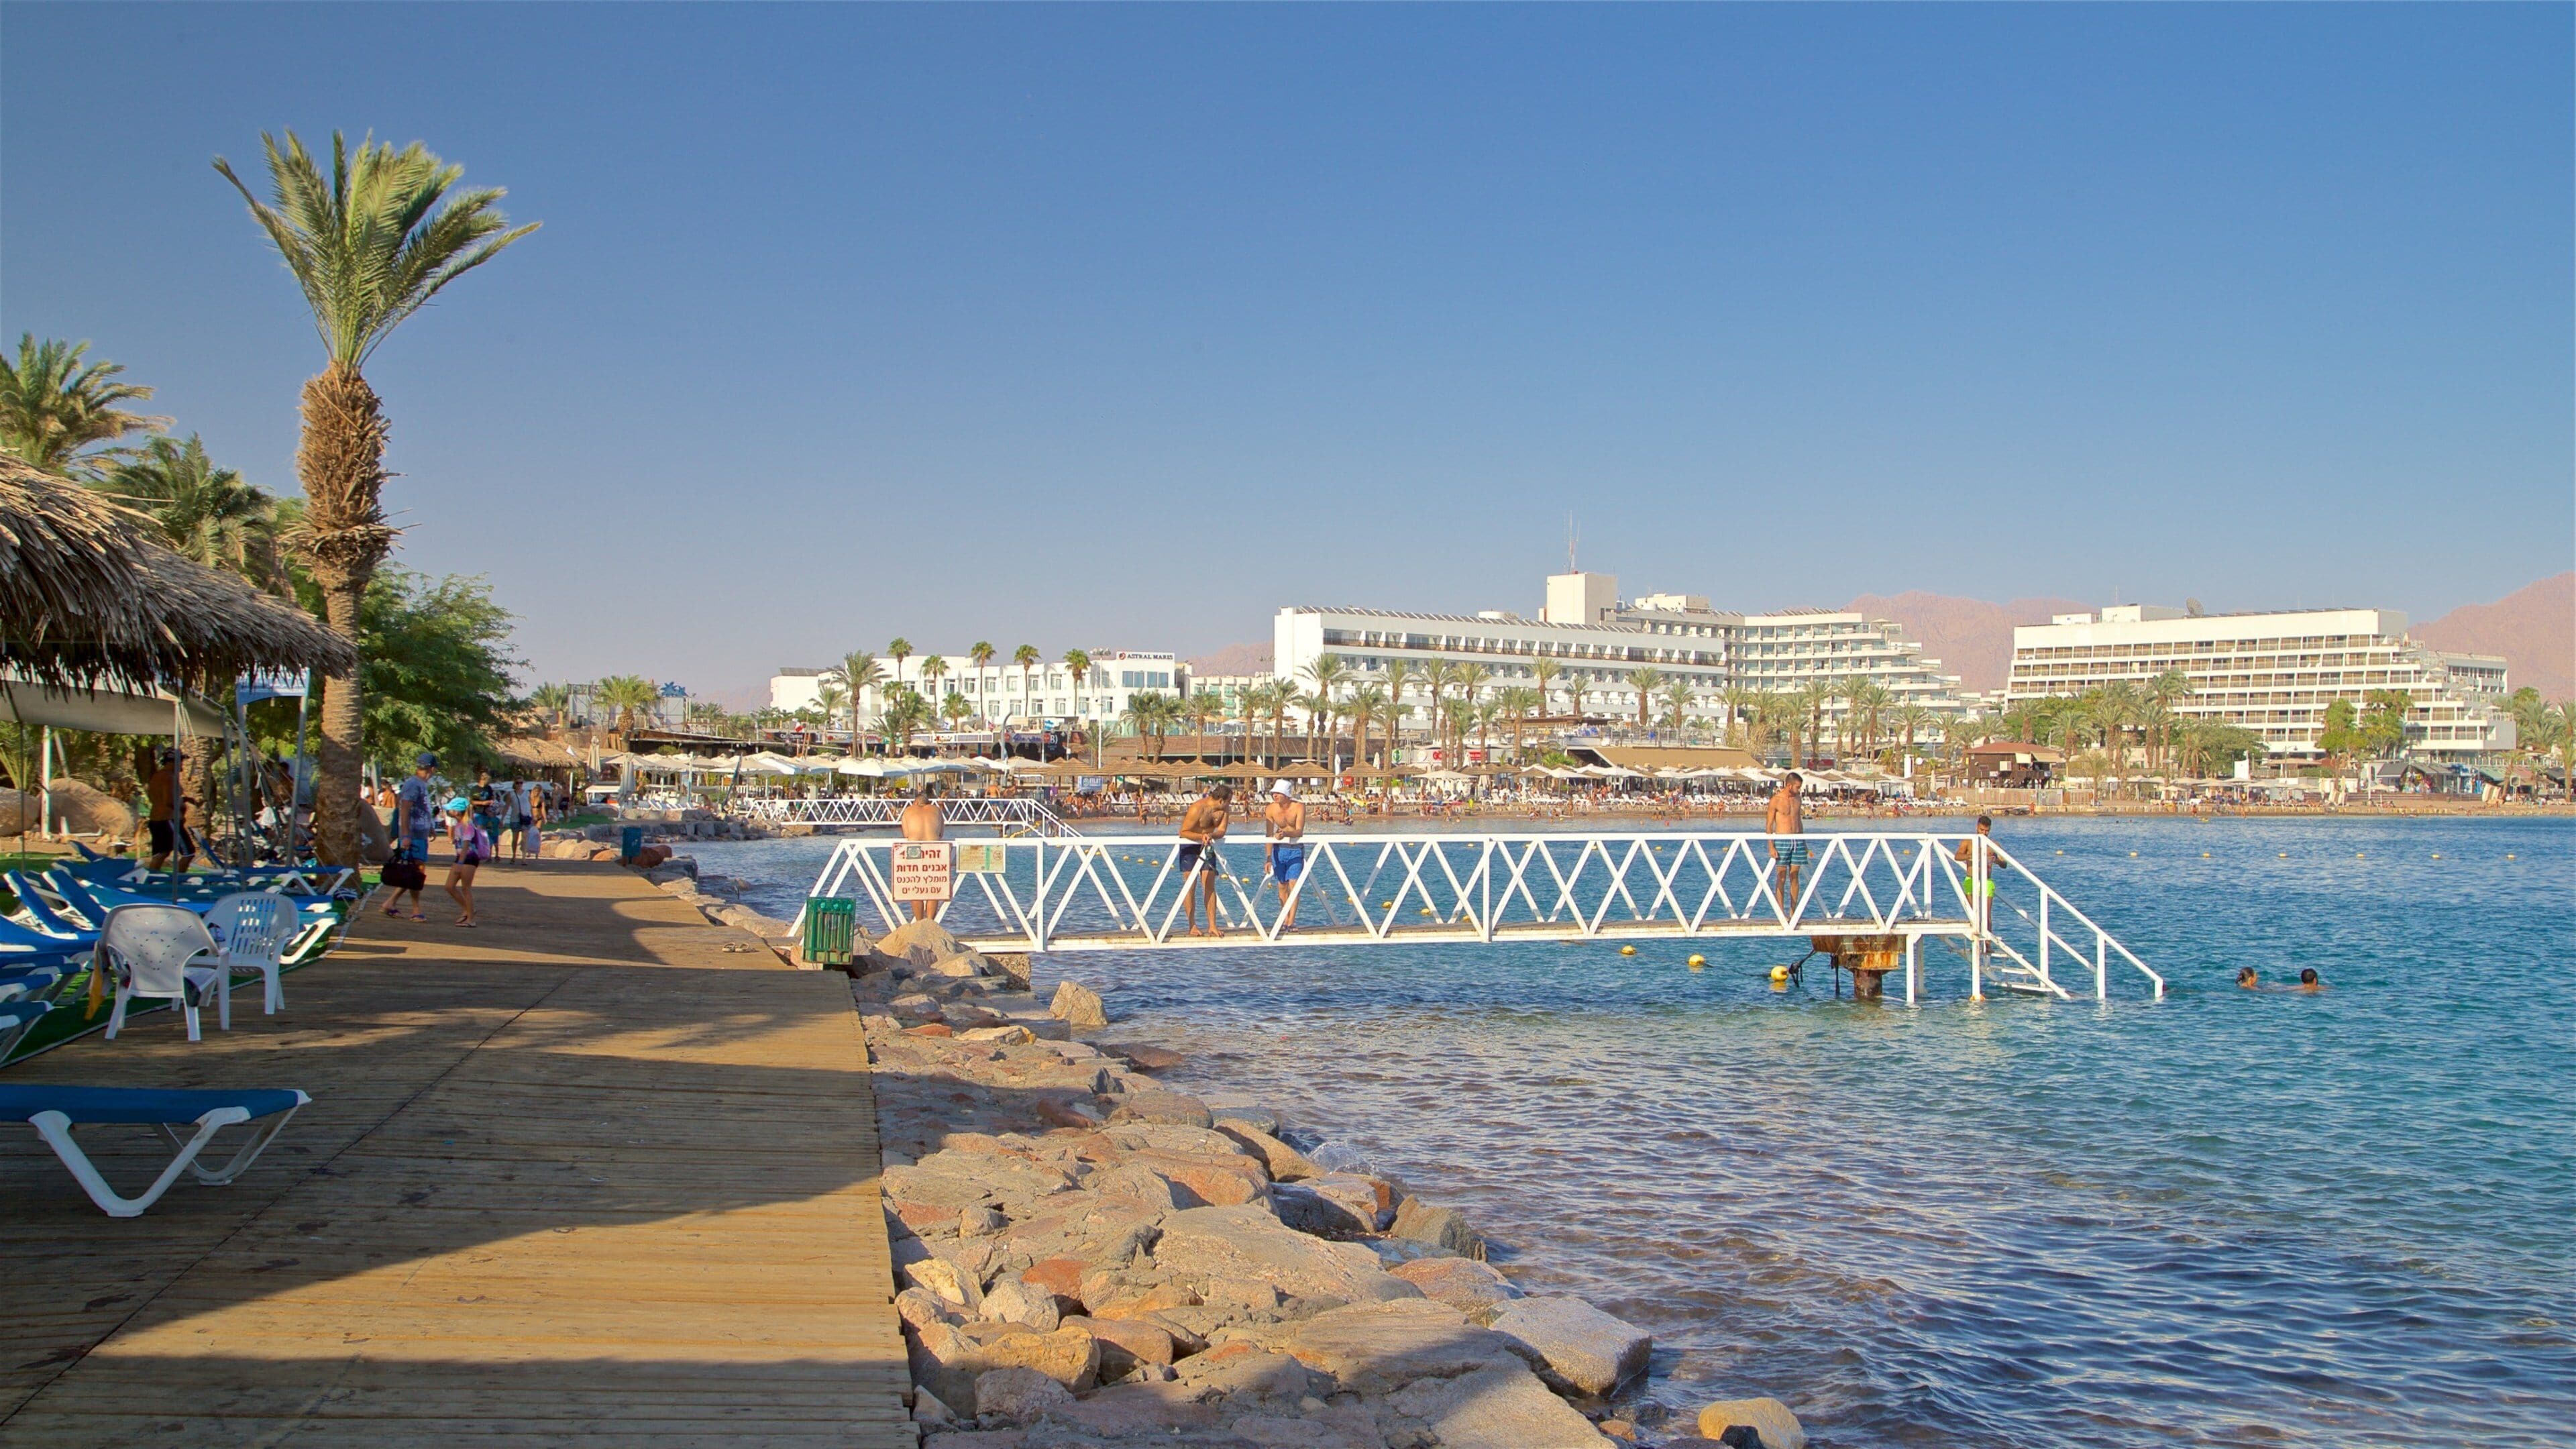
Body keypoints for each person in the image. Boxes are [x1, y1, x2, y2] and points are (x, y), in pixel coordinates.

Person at [1177, 783, 1234, 936]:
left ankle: (1212, 926)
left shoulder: (1224, 810)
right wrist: (1200, 836)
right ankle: (1192, 925)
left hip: (1207, 845)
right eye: (1229, 801)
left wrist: (1211, 836)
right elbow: (1183, 831)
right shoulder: (1198, 808)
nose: (1230, 804)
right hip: (1190, 846)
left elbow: (1221, 831)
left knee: (1209, 884)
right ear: (1221, 800)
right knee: (1191, 885)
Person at [1263, 780, 1307, 929]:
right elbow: (1268, 835)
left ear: (1286, 795)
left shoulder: (1299, 807)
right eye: (1273, 793)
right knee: (1282, 885)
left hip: (1295, 849)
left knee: (1294, 885)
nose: (1274, 795)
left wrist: (1287, 833)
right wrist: (1268, 858)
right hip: (1278, 850)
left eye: (1278, 793)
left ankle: (1291, 921)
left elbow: (1299, 830)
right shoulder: (1270, 809)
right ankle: (1285, 917)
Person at [144, 747, 196, 872]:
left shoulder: (157, 777)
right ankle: (178, 881)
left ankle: (152, 879)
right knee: (188, 853)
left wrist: (185, 800)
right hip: (169, 819)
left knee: (161, 853)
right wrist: (182, 805)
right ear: (172, 762)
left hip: (156, 819)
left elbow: (158, 799)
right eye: (181, 762)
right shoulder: (169, 777)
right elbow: (169, 801)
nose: (182, 766)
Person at [900, 782, 945, 921]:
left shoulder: (909, 810)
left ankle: (919, 921)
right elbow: (941, 833)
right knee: (934, 887)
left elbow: (907, 834)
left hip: (914, 849)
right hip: (934, 849)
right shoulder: (937, 810)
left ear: (916, 802)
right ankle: (930, 921)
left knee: (915, 886)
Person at [444, 798, 492, 926]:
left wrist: (460, 864)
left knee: (466, 889)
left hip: (468, 858)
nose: (449, 812)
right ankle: (467, 909)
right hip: (461, 857)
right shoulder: (459, 825)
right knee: (449, 886)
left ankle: (471, 919)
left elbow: (466, 846)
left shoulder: (468, 825)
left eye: (451, 810)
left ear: (457, 812)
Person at [1764, 770, 1806, 910]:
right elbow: (1769, 825)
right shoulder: (1776, 800)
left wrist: (1804, 843)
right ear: (1789, 786)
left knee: (1795, 876)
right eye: (1797, 787)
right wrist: (1771, 846)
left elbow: (1798, 821)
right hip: (1782, 840)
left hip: (1797, 840)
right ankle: (1780, 912)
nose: (1799, 790)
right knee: (1781, 876)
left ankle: (1793, 913)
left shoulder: (1798, 799)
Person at [1951, 814, 1998, 928]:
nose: (1984, 833)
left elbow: (2004, 864)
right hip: (1971, 879)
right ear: (1977, 827)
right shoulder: (1968, 842)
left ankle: (1987, 944)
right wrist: (1969, 856)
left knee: (1987, 915)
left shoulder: (1993, 845)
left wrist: (1996, 861)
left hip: (1986, 881)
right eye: (1982, 830)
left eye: (1987, 831)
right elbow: (1957, 856)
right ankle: (1978, 939)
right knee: (1974, 914)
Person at [470, 769, 502, 862]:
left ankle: (488, 854)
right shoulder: (475, 789)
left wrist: (492, 805)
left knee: (489, 834)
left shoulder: (489, 788)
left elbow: (493, 799)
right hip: (478, 813)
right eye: (485, 780)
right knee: (480, 833)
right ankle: (478, 852)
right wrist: (483, 803)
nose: (486, 783)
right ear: (481, 779)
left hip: (488, 813)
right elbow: (472, 801)